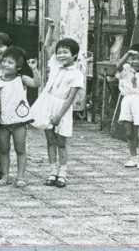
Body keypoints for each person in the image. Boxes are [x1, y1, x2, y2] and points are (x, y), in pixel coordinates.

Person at [29, 38, 86, 188]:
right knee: (50, 140)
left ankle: (63, 172)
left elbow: (71, 98)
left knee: (61, 142)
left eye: (65, 52)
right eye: (59, 52)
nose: (61, 55)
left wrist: (59, 115)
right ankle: (52, 171)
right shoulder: (55, 66)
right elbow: (47, 46)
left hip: (63, 109)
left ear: (74, 55)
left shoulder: (77, 74)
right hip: (49, 104)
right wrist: (51, 28)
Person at [0, 46, 34, 187]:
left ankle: (20, 177)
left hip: (19, 121)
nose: (5, 64)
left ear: (18, 67)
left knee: (20, 149)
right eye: (4, 61)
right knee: (3, 150)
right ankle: (5, 176)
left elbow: (37, 83)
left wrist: (34, 69)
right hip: (3, 121)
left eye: (10, 63)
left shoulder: (21, 79)